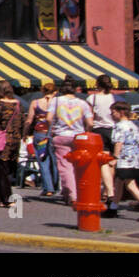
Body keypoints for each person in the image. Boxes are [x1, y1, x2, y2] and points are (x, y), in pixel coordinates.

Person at [108, 102, 139, 220]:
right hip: (135, 159)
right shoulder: (133, 125)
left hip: (124, 159)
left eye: (113, 112)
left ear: (121, 112)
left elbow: (118, 142)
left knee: (130, 185)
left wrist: (115, 157)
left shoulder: (119, 126)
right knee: (119, 183)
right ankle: (112, 208)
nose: (111, 115)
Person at [50, 77, 93, 205]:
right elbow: (90, 122)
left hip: (61, 135)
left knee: (65, 166)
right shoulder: (83, 103)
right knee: (77, 166)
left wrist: (52, 127)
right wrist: (86, 131)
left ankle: (72, 195)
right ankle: (74, 191)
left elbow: (48, 118)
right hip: (79, 136)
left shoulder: (56, 101)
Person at [0, 80, 23, 208]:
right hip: (15, 139)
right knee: (6, 168)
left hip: (2, 140)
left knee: (2, 168)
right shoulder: (18, 104)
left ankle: (6, 197)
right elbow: (21, 122)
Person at [23, 81, 59, 197]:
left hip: (40, 133)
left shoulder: (35, 103)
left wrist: (25, 133)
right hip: (54, 133)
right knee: (55, 161)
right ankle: (55, 185)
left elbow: (29, 120)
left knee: (43, 161)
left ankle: (48, 188)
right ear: (55, 92)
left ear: (43, 91)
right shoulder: (58, 103)